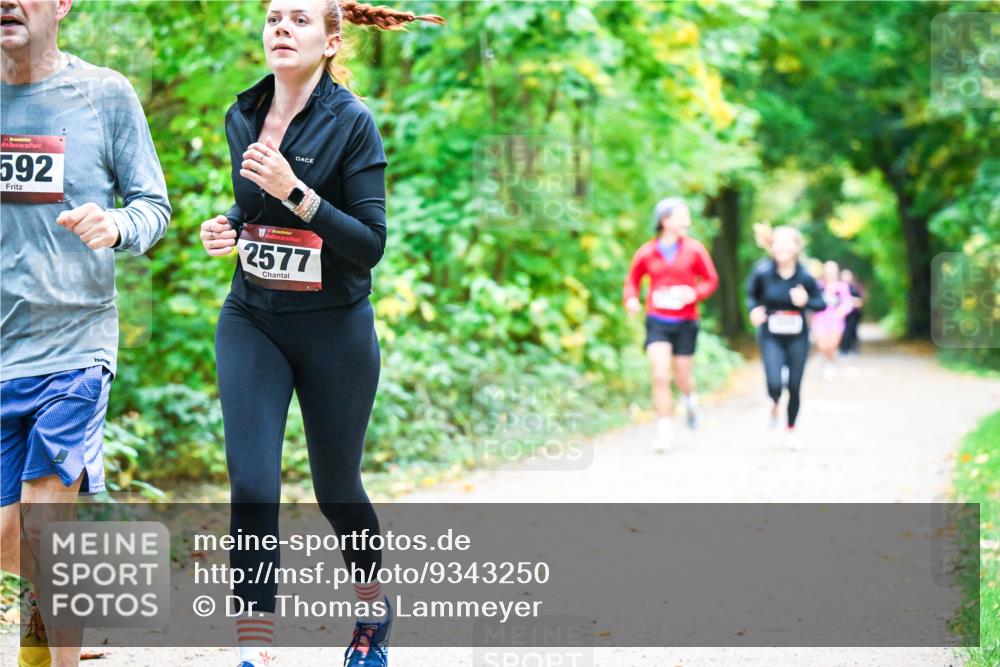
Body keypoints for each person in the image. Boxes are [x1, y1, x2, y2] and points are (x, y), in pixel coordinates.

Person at [198, 1, 442, 666]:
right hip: (253, 318)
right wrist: (226, 226)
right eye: (274, 16)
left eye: (299, 19)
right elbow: (253, 207)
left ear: (331, 42)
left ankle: (371, 612)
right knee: (252, 484)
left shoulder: (353, 124)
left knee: (336, 487)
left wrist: (297, 191)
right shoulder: (242, 113)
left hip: (336, 328)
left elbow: (369, 245)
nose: (281, 26)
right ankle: (256, 649)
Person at [0, 1, 171, 666]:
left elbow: (154, 207)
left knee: (42, 530)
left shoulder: (103, 94)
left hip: (74, 342)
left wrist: (118, 225)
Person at [623, 197, 719, 452]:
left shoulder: (695, 250)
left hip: (686, 321)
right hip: (658, 321)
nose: (687, 221)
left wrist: (694, 294)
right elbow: (632, 281)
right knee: (660, 374)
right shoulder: (646, 252)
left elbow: (711, 280)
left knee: (682, 375)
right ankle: (664, 432)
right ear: (665, 221)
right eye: (682, 216)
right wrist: (631, 300)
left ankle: (690, 401)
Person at [745, 225, 825, 449]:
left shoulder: (805, 276)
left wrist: (806, 301)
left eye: (786, 242)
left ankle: (791, 429)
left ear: (797, 247)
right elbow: (751, 296)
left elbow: (821, 303)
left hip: (797, 336)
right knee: (774, 381)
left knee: (795, 384)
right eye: (776, 242)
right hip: (771, 334)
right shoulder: (762, 272)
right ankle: (773, 401)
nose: (780, 246)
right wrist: (754, 310)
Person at [811, 260, 854, 379]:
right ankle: (827, 360)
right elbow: (812, 300)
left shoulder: (842, 287)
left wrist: (842, 311)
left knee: (832, 345)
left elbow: (847, 302)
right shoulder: (818, 285)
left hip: (836, 320)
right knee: (823, 345)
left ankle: (830, 363)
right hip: (820, 319)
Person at [838, 268, 864, 356]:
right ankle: (842, 349)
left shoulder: (855, 288)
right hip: (840, 316)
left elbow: (860, 302)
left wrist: (850, 301)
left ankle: (852, 349)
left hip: (853, 315)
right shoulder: (837, 287)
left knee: (852, 332)